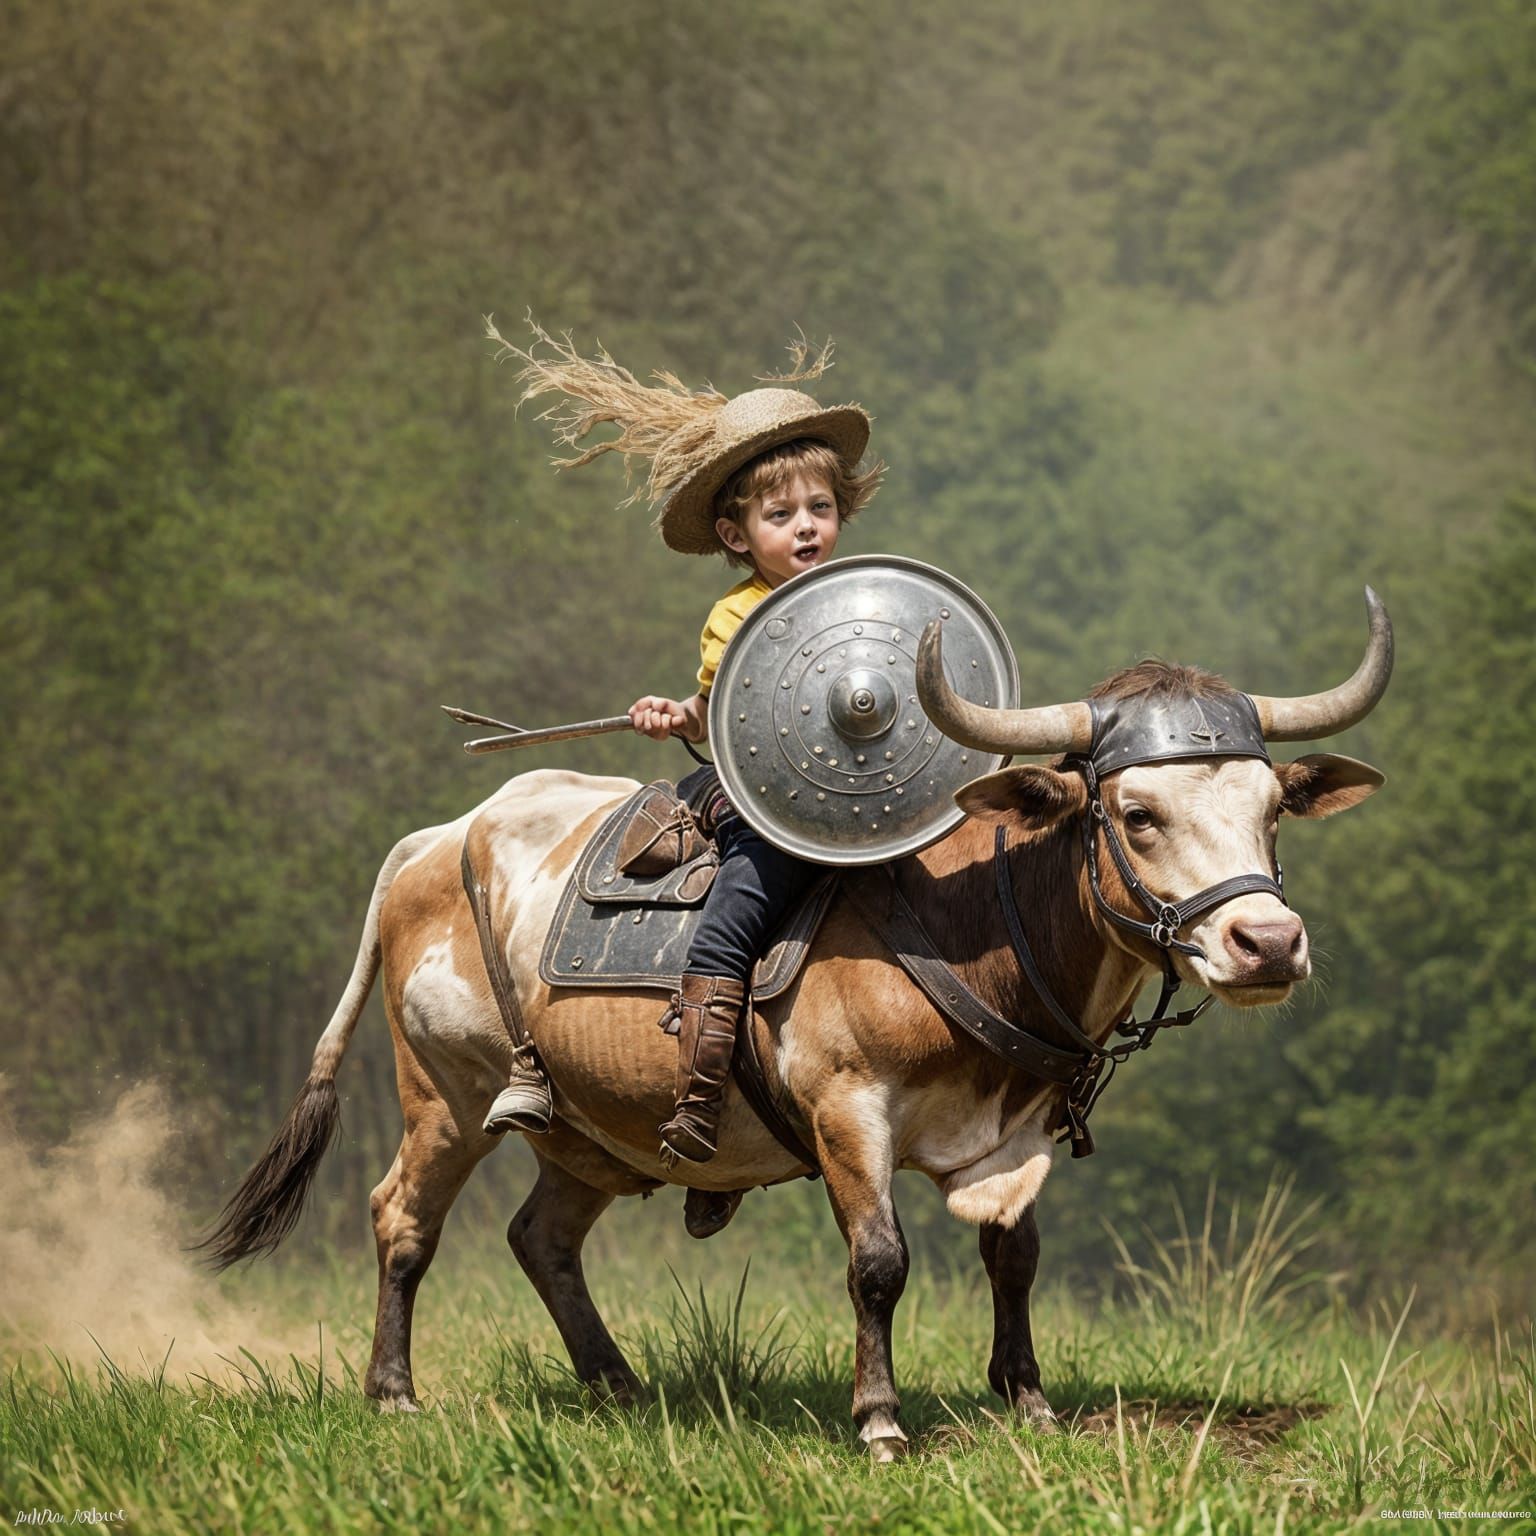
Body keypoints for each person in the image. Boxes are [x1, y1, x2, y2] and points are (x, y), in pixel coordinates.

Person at [478, 319, 883, 1179]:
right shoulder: (735, 615)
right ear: (739, 537)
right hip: (770, 799)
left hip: (863, 800)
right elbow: (735, 712)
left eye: (820, 509)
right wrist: (685, 716)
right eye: (781, 516)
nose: (806, 528)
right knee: (737, 911)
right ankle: (699, 1099)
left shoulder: (872, 602)